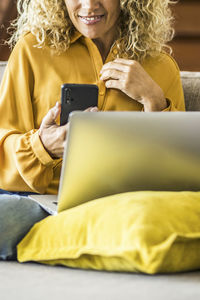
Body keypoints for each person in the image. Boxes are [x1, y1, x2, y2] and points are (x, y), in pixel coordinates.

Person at [0, 0, 185, 259]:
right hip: (41, 203)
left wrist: (154, 100)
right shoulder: (32, 49)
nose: (88, 6)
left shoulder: (161, 67)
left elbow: (177, 175)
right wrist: (43, 145)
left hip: (120, 207)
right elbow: (3, 150)